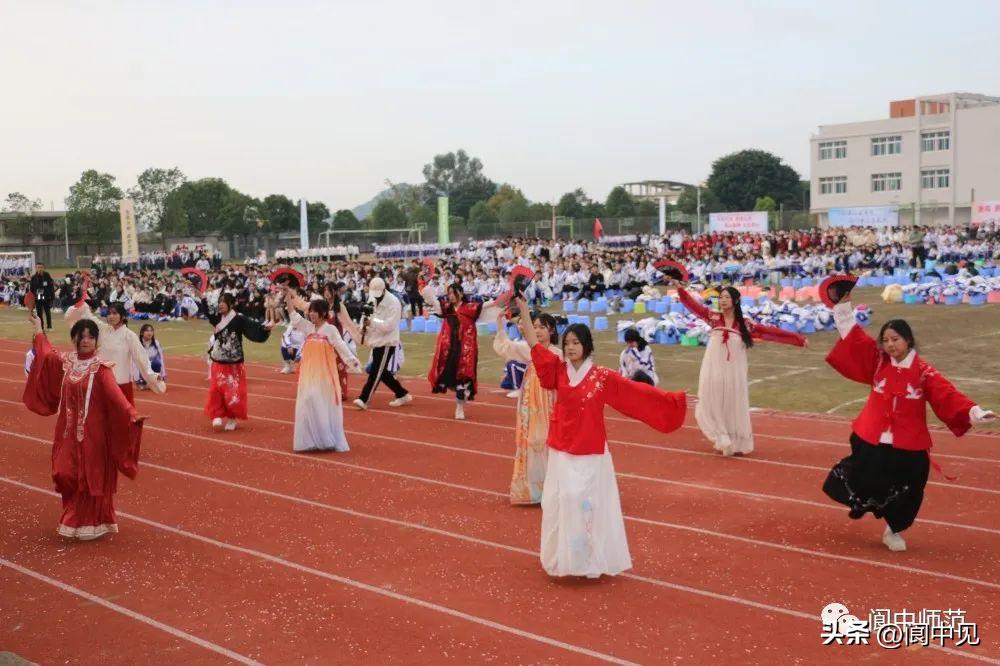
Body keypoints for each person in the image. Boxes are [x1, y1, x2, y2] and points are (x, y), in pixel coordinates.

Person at [514, 297, 688, 578]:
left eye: (575, 343)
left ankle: (591, 560)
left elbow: (636, 394)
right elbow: (534, 343)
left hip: (592, 452)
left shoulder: (602, 377)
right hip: (561, 450)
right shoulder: (557, 370)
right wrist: (523, 307)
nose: (570, 347)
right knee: (564, 501)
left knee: (589, 507)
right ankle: (567, 559)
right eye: (567, 342)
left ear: (587, 346)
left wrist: (672, 402)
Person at [823, 301, 995, 552]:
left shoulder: (924, 372)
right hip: (873, 436)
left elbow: (947, 394)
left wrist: (974, 412)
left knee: (910, 487)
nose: (890, 344)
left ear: (908, 340)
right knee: (863, 477)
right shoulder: (878, 362)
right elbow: (853, 336)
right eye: (886, 340)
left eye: (895, 339)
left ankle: (893, 530)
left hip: (908, 442)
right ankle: (863, 503)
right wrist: (842, 305)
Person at [22, 308, 147, 540]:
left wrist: (131, 413)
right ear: (75, 339)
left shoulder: (101, 369)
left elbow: (116, 397)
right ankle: (76, 517)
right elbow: (47, 354)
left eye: (91, 336)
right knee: (63, 472)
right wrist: (38, 328)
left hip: (93, 436)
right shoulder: (67, 362)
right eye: (83, 336)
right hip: (67, 432)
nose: (86, 340)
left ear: (96, 341)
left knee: (88, 478)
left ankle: (88, 522)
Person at [675, 283, 807, 457]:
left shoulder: (745, 325)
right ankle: (721, 436)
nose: (722, 300)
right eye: (720, 297)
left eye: (726, 297)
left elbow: (771, 332)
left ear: (736, 301)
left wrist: (798, 339)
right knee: (713, 399)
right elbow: (693, 306)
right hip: (713, 369)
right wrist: (680, 289)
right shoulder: (713, 317)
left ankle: (736, 441)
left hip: (734, 372)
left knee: (732, 402)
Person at [493, 309, 561, 505]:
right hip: (530, 403)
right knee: (532, 441)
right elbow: (506, 347)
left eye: (542, 327)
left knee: (549, 442)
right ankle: (534, 491)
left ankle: (553, 489)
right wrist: (500, 324)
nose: (538, 331)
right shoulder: (529, 350)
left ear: (552, 330)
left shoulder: (558, 354)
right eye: (535, 327)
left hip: (551, 402)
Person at [283, 288, 362, 452]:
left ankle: (326, 439)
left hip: (325, 374)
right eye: (310, 311)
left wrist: (351, 360)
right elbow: (293, 316)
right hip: (308, 373)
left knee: (321, 403)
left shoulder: (330, 329)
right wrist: (288, 297)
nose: (311, 314)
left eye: (315, 312)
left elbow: (340, 345)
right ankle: (308, 440)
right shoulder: (308, 327)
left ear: (323, 313)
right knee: (306, 401)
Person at [65, 301, 165, 405]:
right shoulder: (103, 329)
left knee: (122, 417)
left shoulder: (129, 336)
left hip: (121, 384)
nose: (111, 316)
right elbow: (86, 316)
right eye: (109, 313)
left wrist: (153, 377)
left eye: (115, 313)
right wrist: (82, 302)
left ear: (122, 316)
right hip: (101, 383)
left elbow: (141, 359)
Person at [203, 292, 271, 431]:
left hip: (234, 363)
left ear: (231, 304)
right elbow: (207, 309)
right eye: (219, 302)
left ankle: (232, 418)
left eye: (224, 301)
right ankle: (216, 415)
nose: (220, 304)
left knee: (233, 392)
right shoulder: (217, 318)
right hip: (218, 361)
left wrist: (265, 330)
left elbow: (253, 329)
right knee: (216, 390)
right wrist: (200, 294)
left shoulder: (239, 319)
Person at [427, 282, 491, 420]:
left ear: (461, 293)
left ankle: (460, 406)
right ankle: (461, 399)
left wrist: (509, 295)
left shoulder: (470, 308)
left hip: (465, 350)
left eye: (453, 293)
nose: (450, 296)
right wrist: (423, 284)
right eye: (448, 293)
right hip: (449, 350)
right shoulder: (446, 308)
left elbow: (489, 305)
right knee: (451, 378)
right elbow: (432, 300)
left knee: (463, 378)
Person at [353, 277, 411, 410]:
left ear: (384, 290)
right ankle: (402, 393)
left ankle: (364, 398)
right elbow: (366, 315)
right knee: (381, 371)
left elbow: (389, 326)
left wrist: (372, 322)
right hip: (375, 340)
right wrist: (363, 326)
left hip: (387, 341)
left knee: (375, 372)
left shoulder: (394, 302)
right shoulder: (372, 298)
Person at [134, 323, 166, 390]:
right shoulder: (137, 344)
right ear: (142, 333)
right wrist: (137, 380)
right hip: (142, 371)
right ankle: (144, 383)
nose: (150, 333)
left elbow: (161, 359)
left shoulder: (156, 343)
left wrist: (163, 375)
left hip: (152, 370)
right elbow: (134, 363)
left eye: (151, 331)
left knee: (156, 363)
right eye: (147, 331)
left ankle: (152, 383)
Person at [29, 263, 56, 329]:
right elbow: (31, 288)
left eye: (41, 267)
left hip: (46, 296)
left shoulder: (47, 275)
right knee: (39, 312)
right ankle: (41, 326)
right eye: (38, 267)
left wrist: (52, 296)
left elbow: (51, 286)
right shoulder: (33, 277)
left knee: (47, 312)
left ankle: (49, 326)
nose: (40, 269)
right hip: (38, 297)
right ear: (36, 268)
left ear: (43, 268)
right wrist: (32, 298)